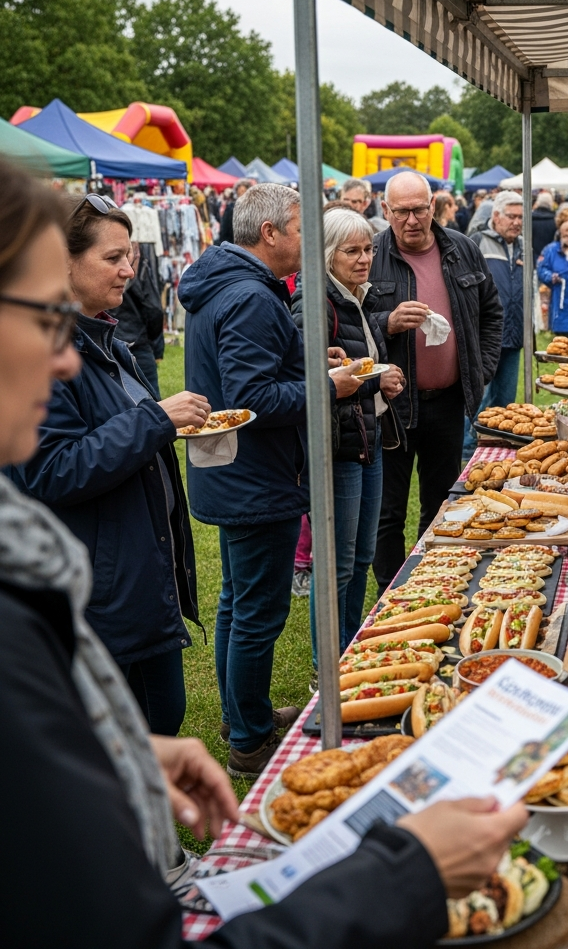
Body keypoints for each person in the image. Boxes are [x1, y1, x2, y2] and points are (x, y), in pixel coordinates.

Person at [0, 158, 530, 946]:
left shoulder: (28, 587)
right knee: (255, 605)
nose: (68, 353)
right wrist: (405, 873)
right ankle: (249, 730)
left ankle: (238, 731)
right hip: (227, 504)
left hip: (150, 571)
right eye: (46, 316)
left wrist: (118, 750)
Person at [178, 184, 365, 777]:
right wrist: (327, 388)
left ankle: (245, 718)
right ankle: (251, 741)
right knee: (257, 610)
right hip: (256, 477)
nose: (309, 239)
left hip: (233, 471)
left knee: (239, 602)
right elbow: (252, 395)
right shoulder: (251, 296)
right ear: (270, 234)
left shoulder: (226, 283)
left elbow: (254, 371)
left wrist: (312, 361)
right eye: (301, 226)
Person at [10, 193, 207, 736]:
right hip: (102, 597)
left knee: (162, 718)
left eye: (130, 256)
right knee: (124, 742)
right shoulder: (42, 352)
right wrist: (156, 421)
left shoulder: (105, 339)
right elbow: (51, 470)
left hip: (140, 581)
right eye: (113, 257)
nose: (128, 270)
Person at [369, 171, 503, 592]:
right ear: (385, 211)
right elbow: (342, 326)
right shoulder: (369, 256)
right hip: (390, 407)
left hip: (447, 402)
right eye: (402, 211)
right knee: (386, 511)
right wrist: (385, 323)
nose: (412, 219)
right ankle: (390, 592)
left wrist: (479, 371)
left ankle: (432, 583)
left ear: (434, 206)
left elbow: (492, 313)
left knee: (442, 502)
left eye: (420, 209)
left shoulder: (461, 249)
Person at [292, 209, 406, 666]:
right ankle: (329, 666)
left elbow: (353, 366)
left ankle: (349, 650)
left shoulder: (355, 296)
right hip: (337, 446)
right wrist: (368, 379)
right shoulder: (315, 303)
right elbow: (311, 381)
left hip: (367, 437)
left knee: (360, 558)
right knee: (337, 565)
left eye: (368, 249)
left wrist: (378, 379)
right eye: (352, 251)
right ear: (326, 254)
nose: (365, 259)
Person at [465, 191, 524, 459]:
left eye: (521, 217)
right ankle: (467, 449)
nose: (516, 222)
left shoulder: (524, 246)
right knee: (477, 396)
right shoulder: (477, 242)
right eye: (511, 216)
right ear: (496, 216)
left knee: (505, 400)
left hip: (514, 333)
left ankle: (498, 449)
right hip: (484, 335)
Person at [109, 240, 166, 397]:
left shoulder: (139, 255)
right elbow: (153, 308)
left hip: (128, 340)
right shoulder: (138, 260)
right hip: (134, 342)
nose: (128, 272)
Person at [216, 179, 252, 246]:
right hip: (233, 242)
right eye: (240, 192)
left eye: (244, 191)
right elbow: (225, 228)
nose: (242, 194)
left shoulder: (252, 208)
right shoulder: (231, 208)